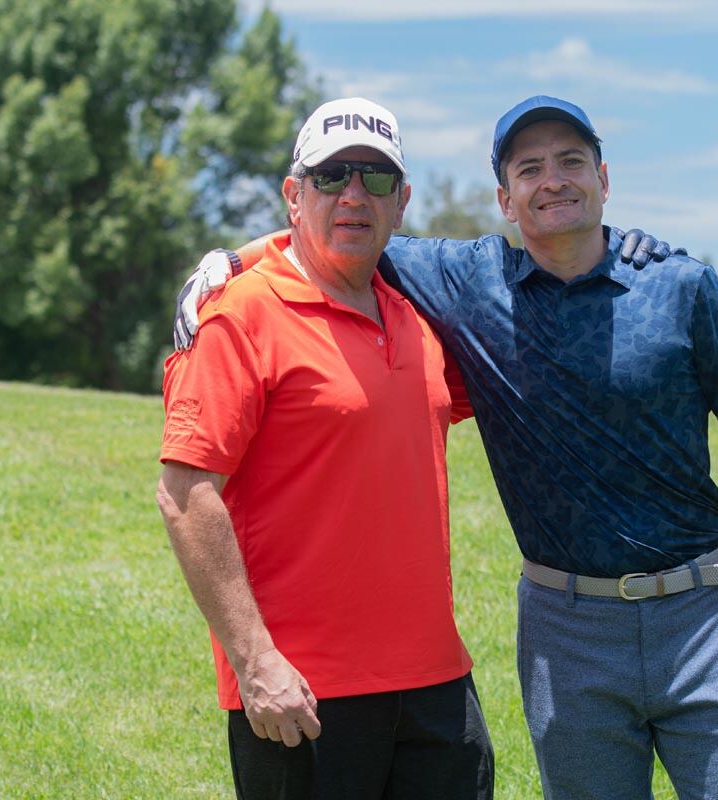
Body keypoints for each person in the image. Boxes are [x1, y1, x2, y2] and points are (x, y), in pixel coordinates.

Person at [178, 95, 718, 800]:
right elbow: (339, 232)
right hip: (568, 630)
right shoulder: (470, 284)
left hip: (700, 614)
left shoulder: (677, 284)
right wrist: (231, 258)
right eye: (529, 169)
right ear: (505, 199)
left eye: (571, 162)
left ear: (604, 178)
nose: (552, 181)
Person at [155, 97, 494, 800]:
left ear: (401, 204)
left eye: (374, 179)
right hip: (300, 694)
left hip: (436, 687)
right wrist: (254, 663)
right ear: (292, 194)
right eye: (331, 175)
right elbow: (186, 494)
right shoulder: (240, 313)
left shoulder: (419, 322)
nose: (352, 194)